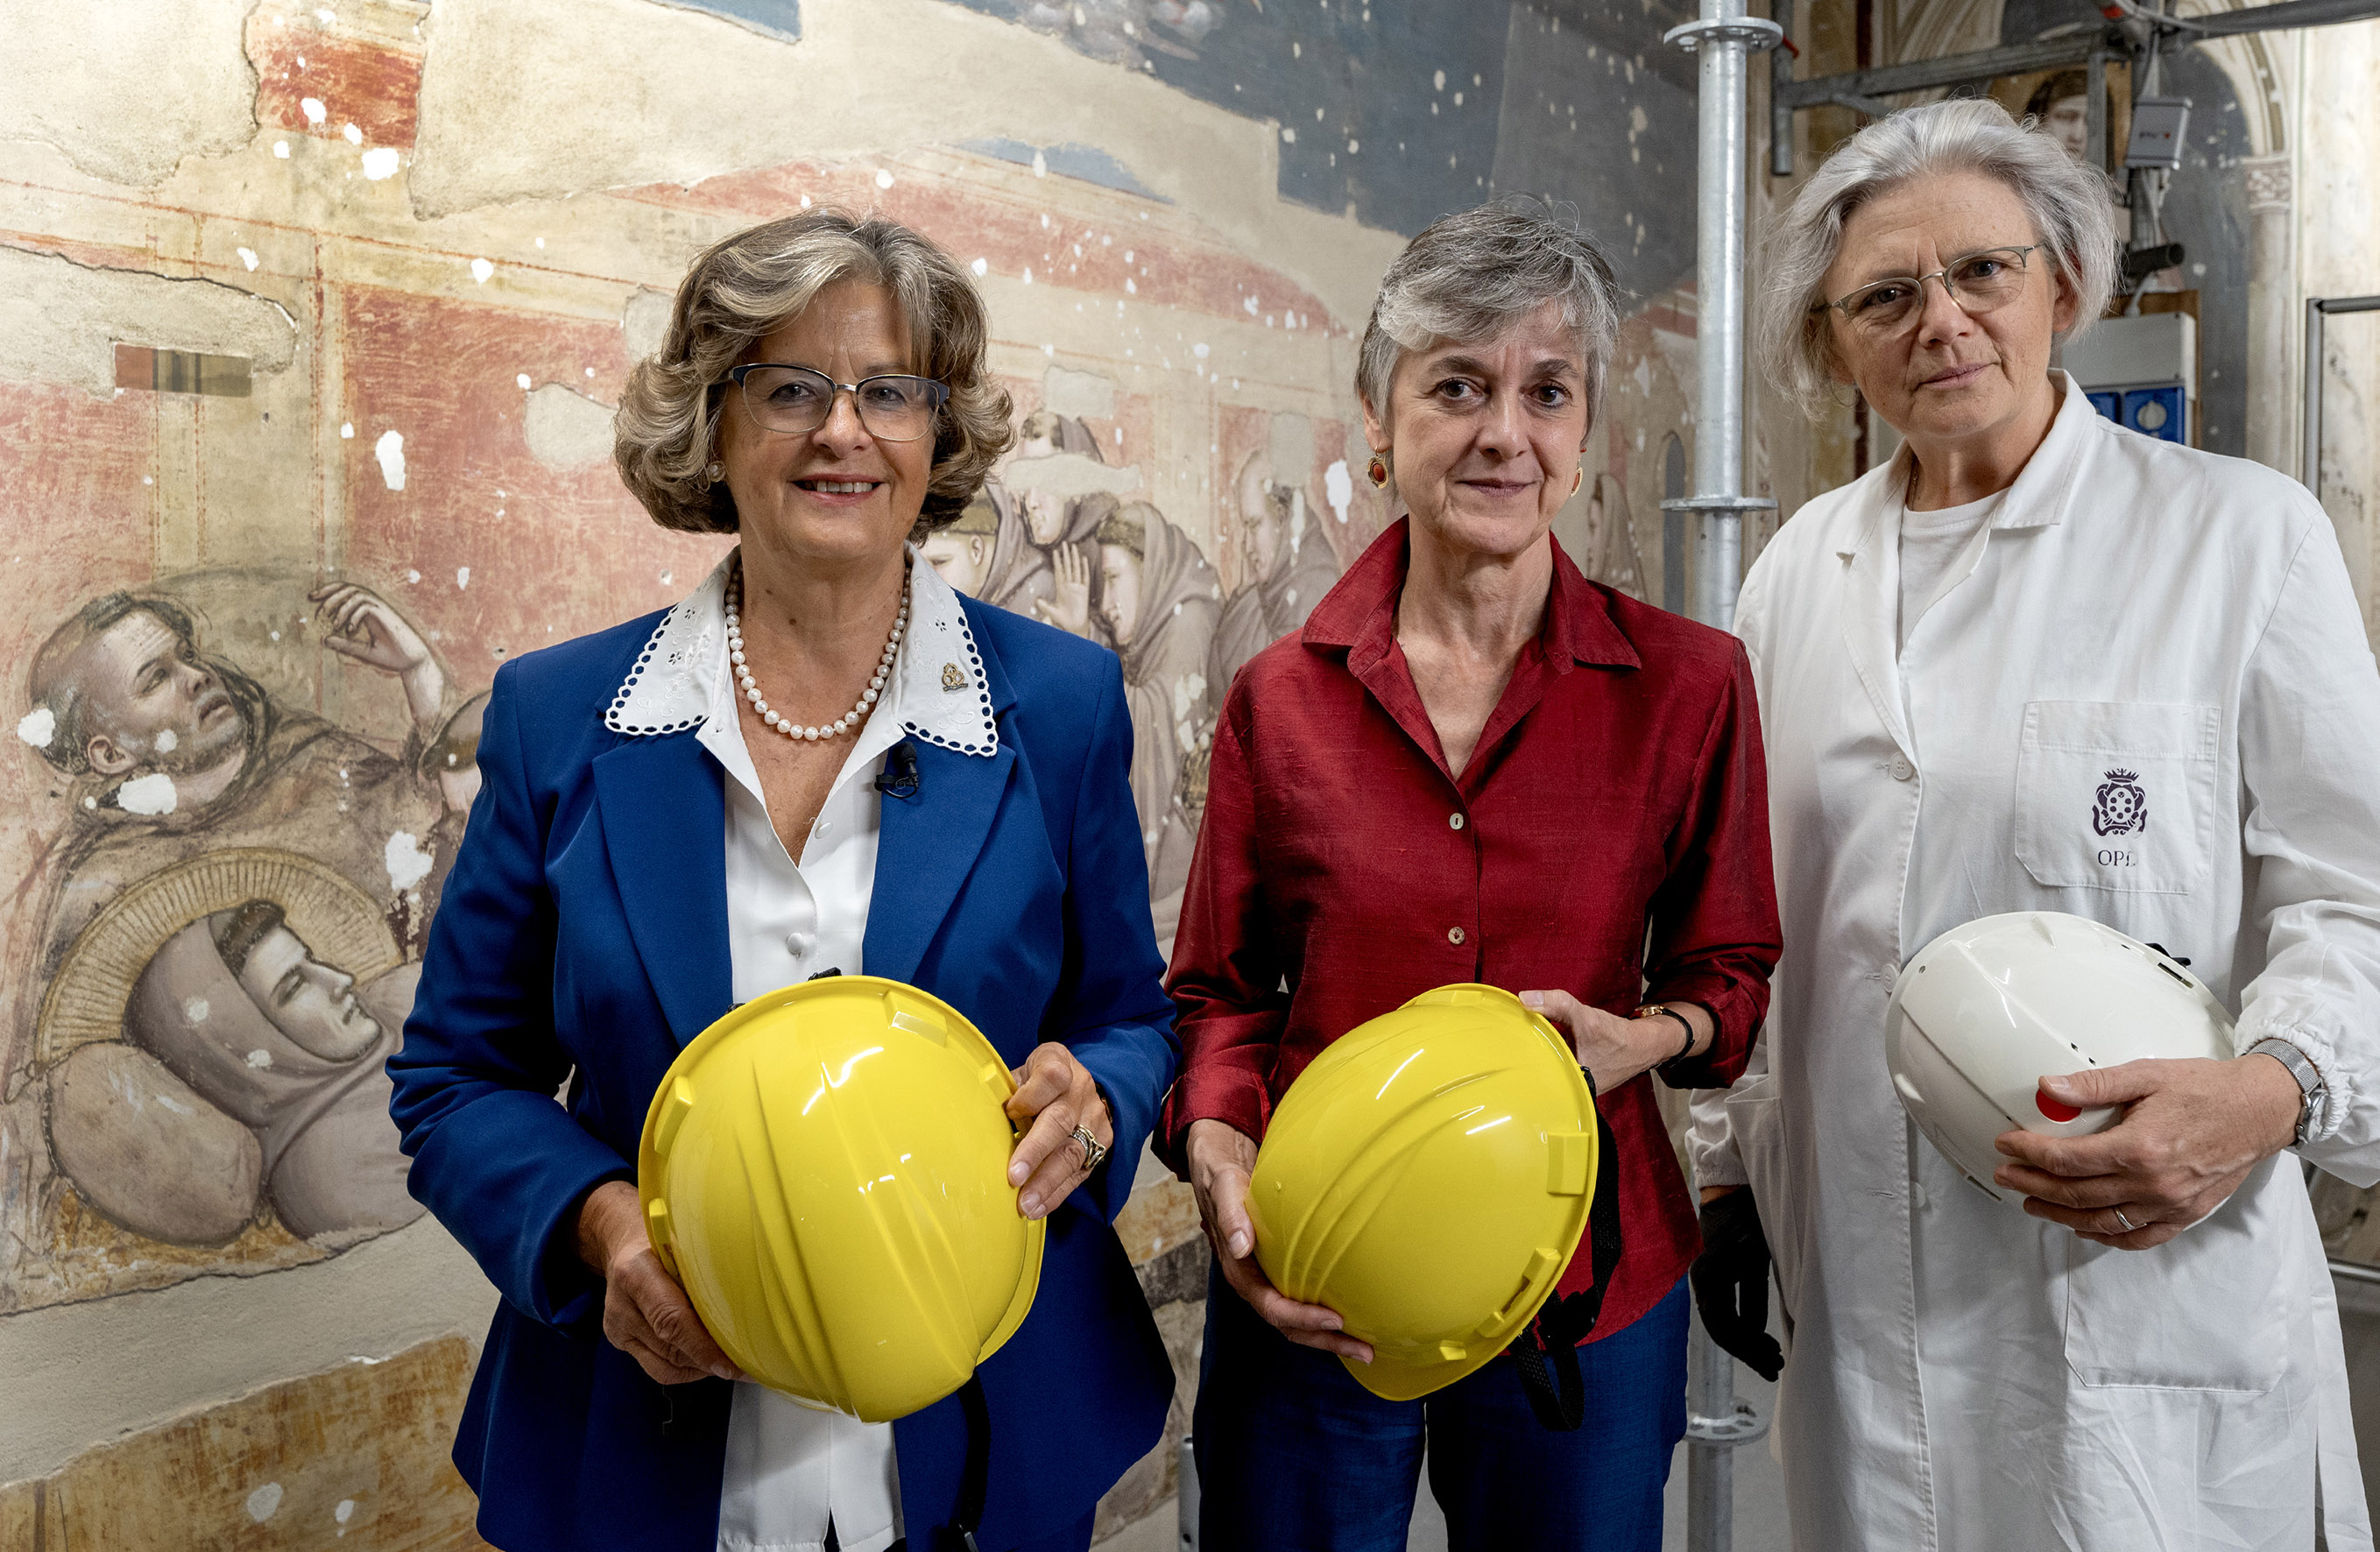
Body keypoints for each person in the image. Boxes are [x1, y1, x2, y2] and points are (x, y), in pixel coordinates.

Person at [390, 209, 1179, 1552]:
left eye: (888, 390)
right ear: (713, 422)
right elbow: (456, 1078)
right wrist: (599, 1227)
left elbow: (1129, 1015)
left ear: (937, 434)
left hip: (984, 1435)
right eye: (791, 387)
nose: (842, 430)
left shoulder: (1062, 704)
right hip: (641, 1449)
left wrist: (1095, 1102)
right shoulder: (557, 715)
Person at [1689, 97, 2380, 1550]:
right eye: (1884, 294)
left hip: (2141, 1297)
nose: (1939, 320)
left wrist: (2266, 1098)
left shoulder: (2239, 539)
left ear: (2063, 283)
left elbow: (2355, 895)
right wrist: (1732, 1175)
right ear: (1832, 342)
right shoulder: (1791, 580)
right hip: (1861, 1301)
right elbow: (1772, 926)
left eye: (1980, 273)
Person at [1162, 199, 1782, 1552]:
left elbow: (1729, 972)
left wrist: (1648, 1037)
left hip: (1587, 1283)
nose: (1505, 430)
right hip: (1316, 1272)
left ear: (1582, 443)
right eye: (1458, 386)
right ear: (1378, 427)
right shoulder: (1279, 698)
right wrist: (1214, 1138)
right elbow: (1216, 989)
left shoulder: (1690, 685)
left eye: (1545, 392)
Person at [1087, 498, 1219, 955]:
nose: (1106, 605)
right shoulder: (1156, 623)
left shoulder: (1188, 618)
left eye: (1115, 579)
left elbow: (1158, 718)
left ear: (1152, 570)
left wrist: (1077, 650)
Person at [1207, 448, 1344, 690]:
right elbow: (1221, 688)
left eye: (1254, 525)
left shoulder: (1313, 583)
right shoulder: (1273, 583)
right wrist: (1247, 588)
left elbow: (1265, 686)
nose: (1247, 546)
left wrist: (1248, 592)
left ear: (1282, 519)